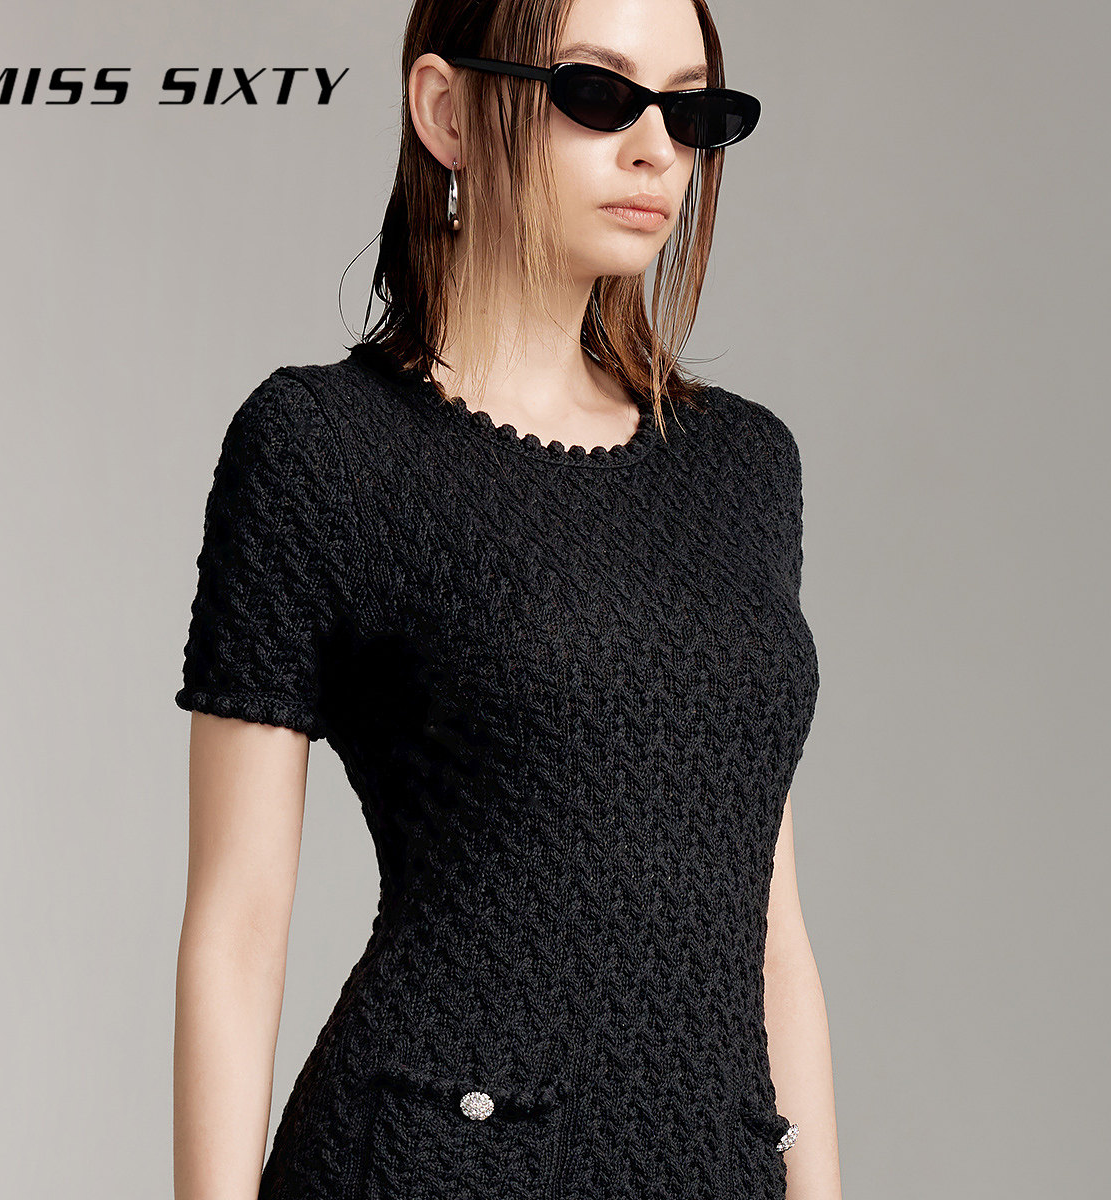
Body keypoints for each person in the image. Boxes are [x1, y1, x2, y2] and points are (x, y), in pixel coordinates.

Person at [172, 1, 842, 1198]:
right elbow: (237, 922)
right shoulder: (322, 448)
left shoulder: (746, 466)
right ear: (446, 111)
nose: (656, 150)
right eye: (599, 94)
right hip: (432, 1163)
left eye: (690, 111)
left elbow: (770, 922)